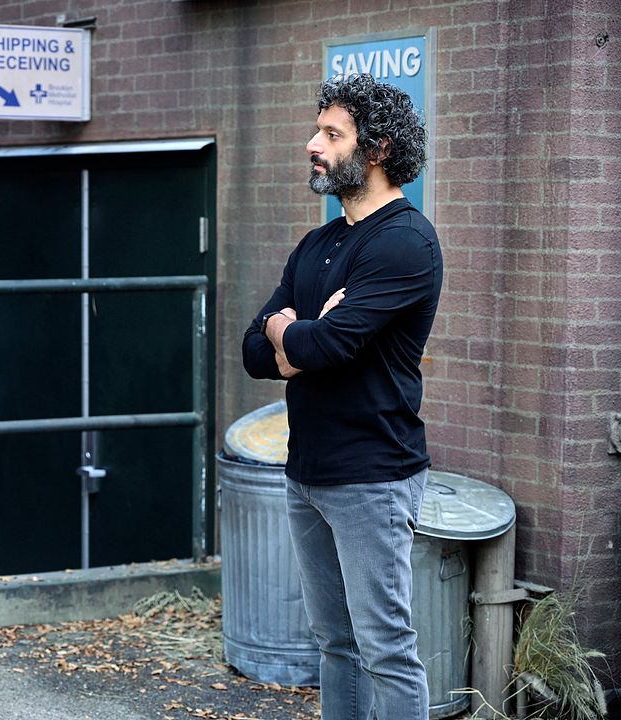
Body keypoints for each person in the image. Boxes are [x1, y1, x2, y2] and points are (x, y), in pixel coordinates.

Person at [242, 73, 442, 720]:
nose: (313, 144)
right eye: (317, 131)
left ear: (377, 149)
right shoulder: (318, 243)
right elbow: (255, 351)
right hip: (307, 472)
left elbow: (325, 350)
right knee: (335, 644)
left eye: (332, 134)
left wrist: (299, 338)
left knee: (386, 648)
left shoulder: (405, 242)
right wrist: (293, 334)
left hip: (374, 478)